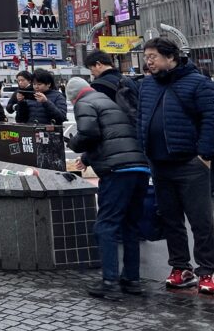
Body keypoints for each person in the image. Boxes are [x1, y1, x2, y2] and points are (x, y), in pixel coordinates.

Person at [137, 37, 214, 294]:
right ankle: (180, 267)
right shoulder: (147, 86)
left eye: (152, 56)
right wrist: (145, 151)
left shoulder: (198, 83)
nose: (148, 62)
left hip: (190, 163)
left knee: (200, 221)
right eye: (146, 57)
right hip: (159, 164)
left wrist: (204, 155)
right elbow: (140, 118)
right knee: (170, 220)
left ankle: (206, 271)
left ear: (171, 57)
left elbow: (212, 119)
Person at [66, 76, 150, 299]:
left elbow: (89, 133)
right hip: (139, 167)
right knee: (130, 226)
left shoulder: (84, 103)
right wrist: (88, 157)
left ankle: (110, 282)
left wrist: (73, 143)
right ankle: (132, 280)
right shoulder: (108, 101)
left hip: (116, 172)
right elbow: (112, 136)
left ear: (73, 97)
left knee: (106, 225)